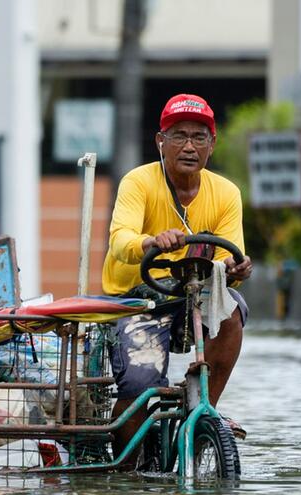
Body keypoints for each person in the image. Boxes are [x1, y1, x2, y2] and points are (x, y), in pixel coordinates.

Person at [103, 93, 254, 466]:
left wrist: (236, 272)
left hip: (192, 296)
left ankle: (202, 410)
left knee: (232, 310)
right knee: (139, 385)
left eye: (199, 138)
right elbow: (120, 240)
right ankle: (127, 468)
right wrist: (150, 242)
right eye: (180, 136)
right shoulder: (138, 182)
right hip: (136, 298)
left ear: (212, 145)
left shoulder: (226, 193)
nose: (189, 146)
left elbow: (227, 258)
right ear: (161, 142)